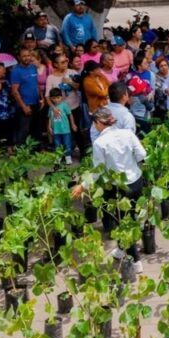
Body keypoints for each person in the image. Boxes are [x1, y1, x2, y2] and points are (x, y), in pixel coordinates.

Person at [71, 106, 147, 274]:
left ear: (99, 122)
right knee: (130, 217)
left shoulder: (100, 143)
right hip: (136, 181)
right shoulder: (128, 133)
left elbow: (98, 171)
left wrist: (82, 186)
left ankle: (136, 261)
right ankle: (120, 249)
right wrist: (129, 164)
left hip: (118, 187)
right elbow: (142, 154)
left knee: (123, 222)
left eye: (94, 123)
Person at [46, 53, 86, 152]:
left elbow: (80, 87)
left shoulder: (73, 72)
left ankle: (83, 153)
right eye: (62, 62)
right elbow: (47, 96)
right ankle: (64, 154)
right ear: (55, 64)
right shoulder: (51, 78)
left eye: (66, 61)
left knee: (76, 130)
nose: (65, 64)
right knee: (62, 133)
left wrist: (70, 82)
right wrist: (53, 108)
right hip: (60, 111)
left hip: (74, 107)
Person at [47, 87, 77, 163]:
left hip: (65, 129)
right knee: (57, 144)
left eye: (58, 97)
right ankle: (58, 156)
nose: (56, 100)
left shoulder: (64, 105)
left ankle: (68, 157)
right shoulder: (51, 108)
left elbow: (70, 114)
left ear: (61, 97)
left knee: (67, 143)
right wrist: (49, 127)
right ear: (50, 98)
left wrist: (73, 124)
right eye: (54, 98)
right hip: (56, 130)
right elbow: (50, 118)